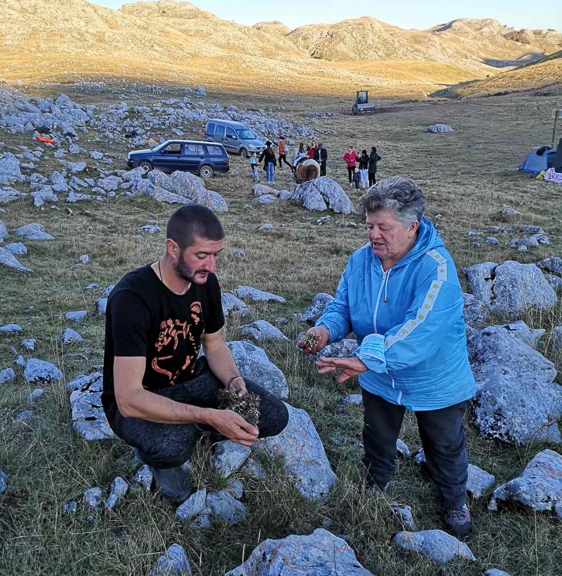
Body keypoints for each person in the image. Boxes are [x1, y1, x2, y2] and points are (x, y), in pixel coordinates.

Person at [299, 177, 475, 537]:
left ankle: (455, 503)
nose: (374, 235)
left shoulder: (436, 268)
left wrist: (366, 358)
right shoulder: (360, 261)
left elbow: (421, 329)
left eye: (384, 227)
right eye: (369, 226)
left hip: (434, 378)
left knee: (443, 444)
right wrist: (325, 330)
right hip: (378, 375)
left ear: (412, 226)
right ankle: (373, 486)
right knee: (377, 437)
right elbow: (343, 306)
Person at [102, 205, 289, 505]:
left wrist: (234, 381)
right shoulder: (132, 298)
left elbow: (214, 346)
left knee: (274, 415)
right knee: (175, 444)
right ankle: (166, 450)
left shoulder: (205, 282)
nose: (211, 266)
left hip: (191, 380)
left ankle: (199, 427)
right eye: (202, 256)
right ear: (172, 248)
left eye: (216, 255)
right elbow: (128, 396)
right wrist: (209, 415)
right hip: (139, 399)